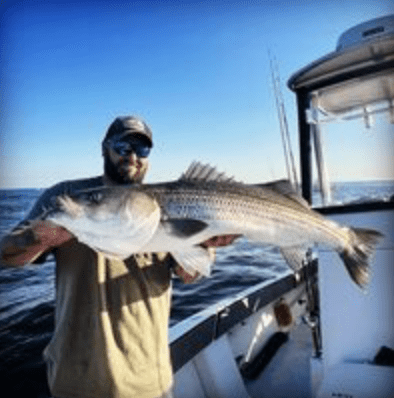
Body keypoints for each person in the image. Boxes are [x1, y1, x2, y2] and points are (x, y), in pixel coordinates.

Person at [0, 116, 237, 398]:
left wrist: (206, 245)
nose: (133, 156)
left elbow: (189, 276)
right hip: (75, 382)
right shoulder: (67, 197)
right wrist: (43, 236)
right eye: (123, 145)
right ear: (105, 148)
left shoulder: (167, 203)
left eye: (142, 149)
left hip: (151, 382)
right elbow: (7, 256)